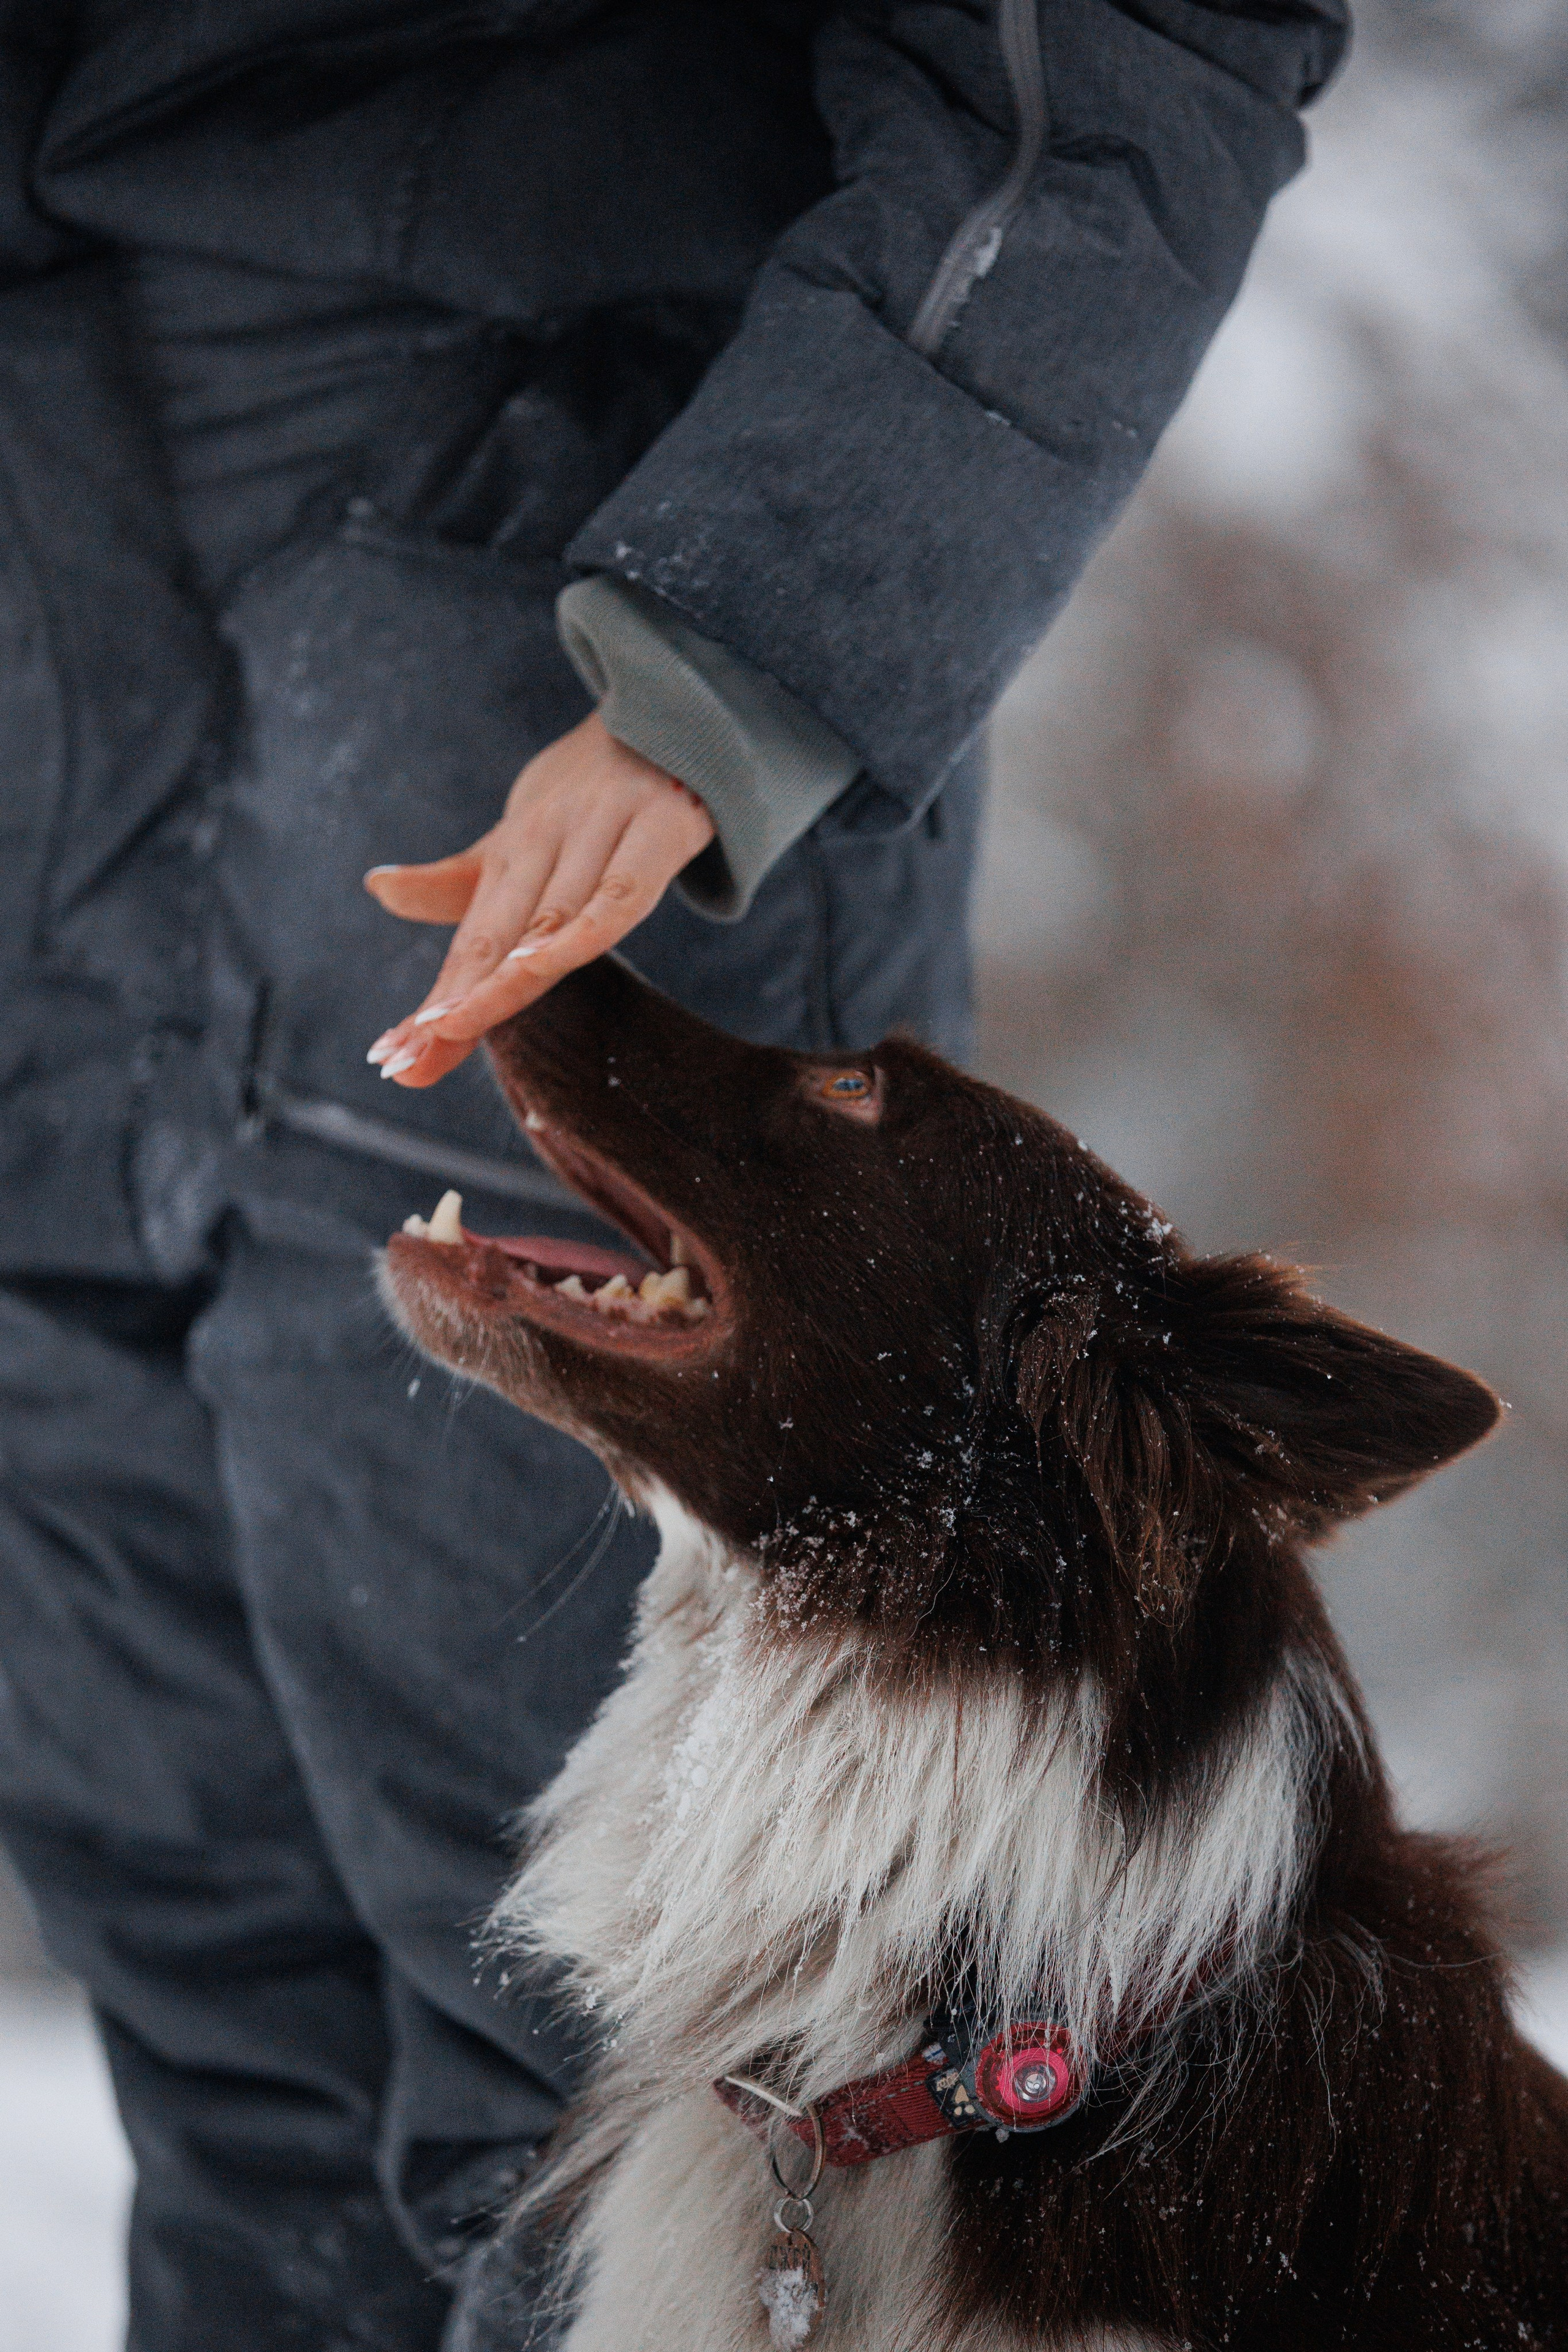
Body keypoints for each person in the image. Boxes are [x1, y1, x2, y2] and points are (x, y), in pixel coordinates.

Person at [0, 5, 1350, 2345]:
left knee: (620, 2084)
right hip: (57, 645)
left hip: (549, 617)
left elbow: (1125, 50)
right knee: (228, 2036)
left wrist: (733, 655)